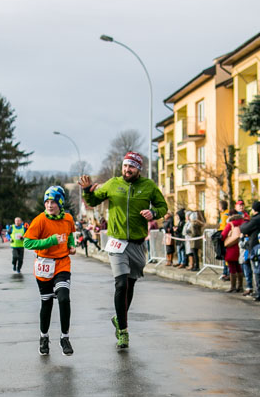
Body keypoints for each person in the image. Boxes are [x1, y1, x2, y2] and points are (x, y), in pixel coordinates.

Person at [80, 151, 167, 350]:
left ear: (139, 169)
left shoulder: (149, 186)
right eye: (125, 166)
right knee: (121, 284)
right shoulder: (113, 183)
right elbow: (92, 201)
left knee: (130, 285)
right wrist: (86, 190)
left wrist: (153, 213)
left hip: (137, 244)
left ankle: (119, 318)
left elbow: (163, 207)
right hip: (117, 242)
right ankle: (123, 332)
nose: (127, 170)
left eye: (131, 167)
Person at [23, 186, 76, 356]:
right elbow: (27, 243)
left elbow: (70, 234)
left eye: (53, 202)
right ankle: (44, 337)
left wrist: (71, 245)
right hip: (44, 265)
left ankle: (64, 337)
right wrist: (50, 241)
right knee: (47, 303)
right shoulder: (40, 220)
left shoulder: (68, 218)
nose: (49, 205)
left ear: (60, 203)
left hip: (62, 264)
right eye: (47, 202)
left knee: (64, 298)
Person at [239, 200, 260, 296]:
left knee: (255, 269)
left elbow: (244, 228)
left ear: (253, 210)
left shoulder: (256, 219)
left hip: (254, 247)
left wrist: (244, 225)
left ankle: (258, 291)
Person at [221, 211, 246, 292]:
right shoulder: (243, 223)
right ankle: (240, 286)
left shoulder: (230, 224)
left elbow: (223, 235)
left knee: (232, 267)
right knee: (238, 267)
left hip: (231, 248)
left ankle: (233, 287)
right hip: (241, 248)